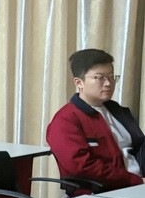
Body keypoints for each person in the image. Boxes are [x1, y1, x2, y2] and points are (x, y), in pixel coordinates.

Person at [46, 48, 144, 190]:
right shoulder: (65, 120)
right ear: (79, 82)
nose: (108, 83)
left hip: (137, 185)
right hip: (104, 192)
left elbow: (140, 147)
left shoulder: (118, 111)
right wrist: (135, 181)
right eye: (99, 78)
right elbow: (82, 167)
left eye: (111, 77)